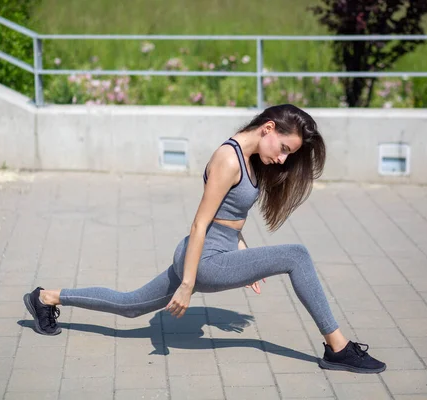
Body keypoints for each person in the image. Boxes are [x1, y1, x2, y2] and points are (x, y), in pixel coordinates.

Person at [23, 104, 386, 374]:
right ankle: (337, 348)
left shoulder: (249, 156)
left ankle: (45, 297)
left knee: (130, 305)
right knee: (297, 255)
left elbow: (229, 217)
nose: (282, 158)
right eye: (284, 148)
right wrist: (188, 284)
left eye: (288, 153)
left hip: (214, 252)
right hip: (205, 259)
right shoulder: (228, 159)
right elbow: (200, 224)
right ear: (268, 128)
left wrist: (242, 252)